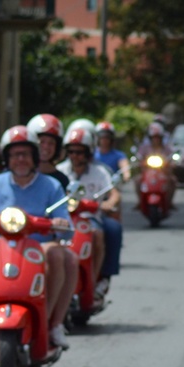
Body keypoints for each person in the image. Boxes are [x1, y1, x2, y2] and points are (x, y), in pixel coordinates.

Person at [0, 125, 77, 351]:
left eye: (25, 154)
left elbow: (66, 223)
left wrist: (60, 223)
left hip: (39, 246)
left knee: (61, 255)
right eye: (14, 155)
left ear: (34, 157)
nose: (20, 160)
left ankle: (52, 323)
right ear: (6, 159)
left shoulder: (51, 185)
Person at [56, 127, 123, 303]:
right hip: (65, 218)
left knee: (97, 234)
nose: (75, 156)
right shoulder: (60, 171)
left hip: (90, 217)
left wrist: (109, 203)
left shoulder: (99, 172)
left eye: (79, 152)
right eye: (71, 151)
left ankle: (95, 281)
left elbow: (114, 193)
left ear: (88, 152)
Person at [136, 121, 177, 207]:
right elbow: (139, 156)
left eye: (158, 138)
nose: (156, 140)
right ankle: (140, 201)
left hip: (163, 172)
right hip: (147, 173)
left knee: (173, 180)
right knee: (137, 180)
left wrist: (172, 162)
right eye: (154, 138)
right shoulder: (145, 147)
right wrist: (139, 162)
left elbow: (172, 157)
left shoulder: (166, 148)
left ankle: (169, 202)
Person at [27, 113, 69, 189]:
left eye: (51, 143)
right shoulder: (20, 176)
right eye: (41, 142)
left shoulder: (62, 181)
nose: (46, 147)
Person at [94, 121, 132, 189]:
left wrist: (126, 175)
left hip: (111, 187)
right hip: (94, 187)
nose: (104, 139)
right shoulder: (91, 154)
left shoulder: (119, 155)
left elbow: (124, 166)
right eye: (102, 137)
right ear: (98, 138)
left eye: (107, 137)